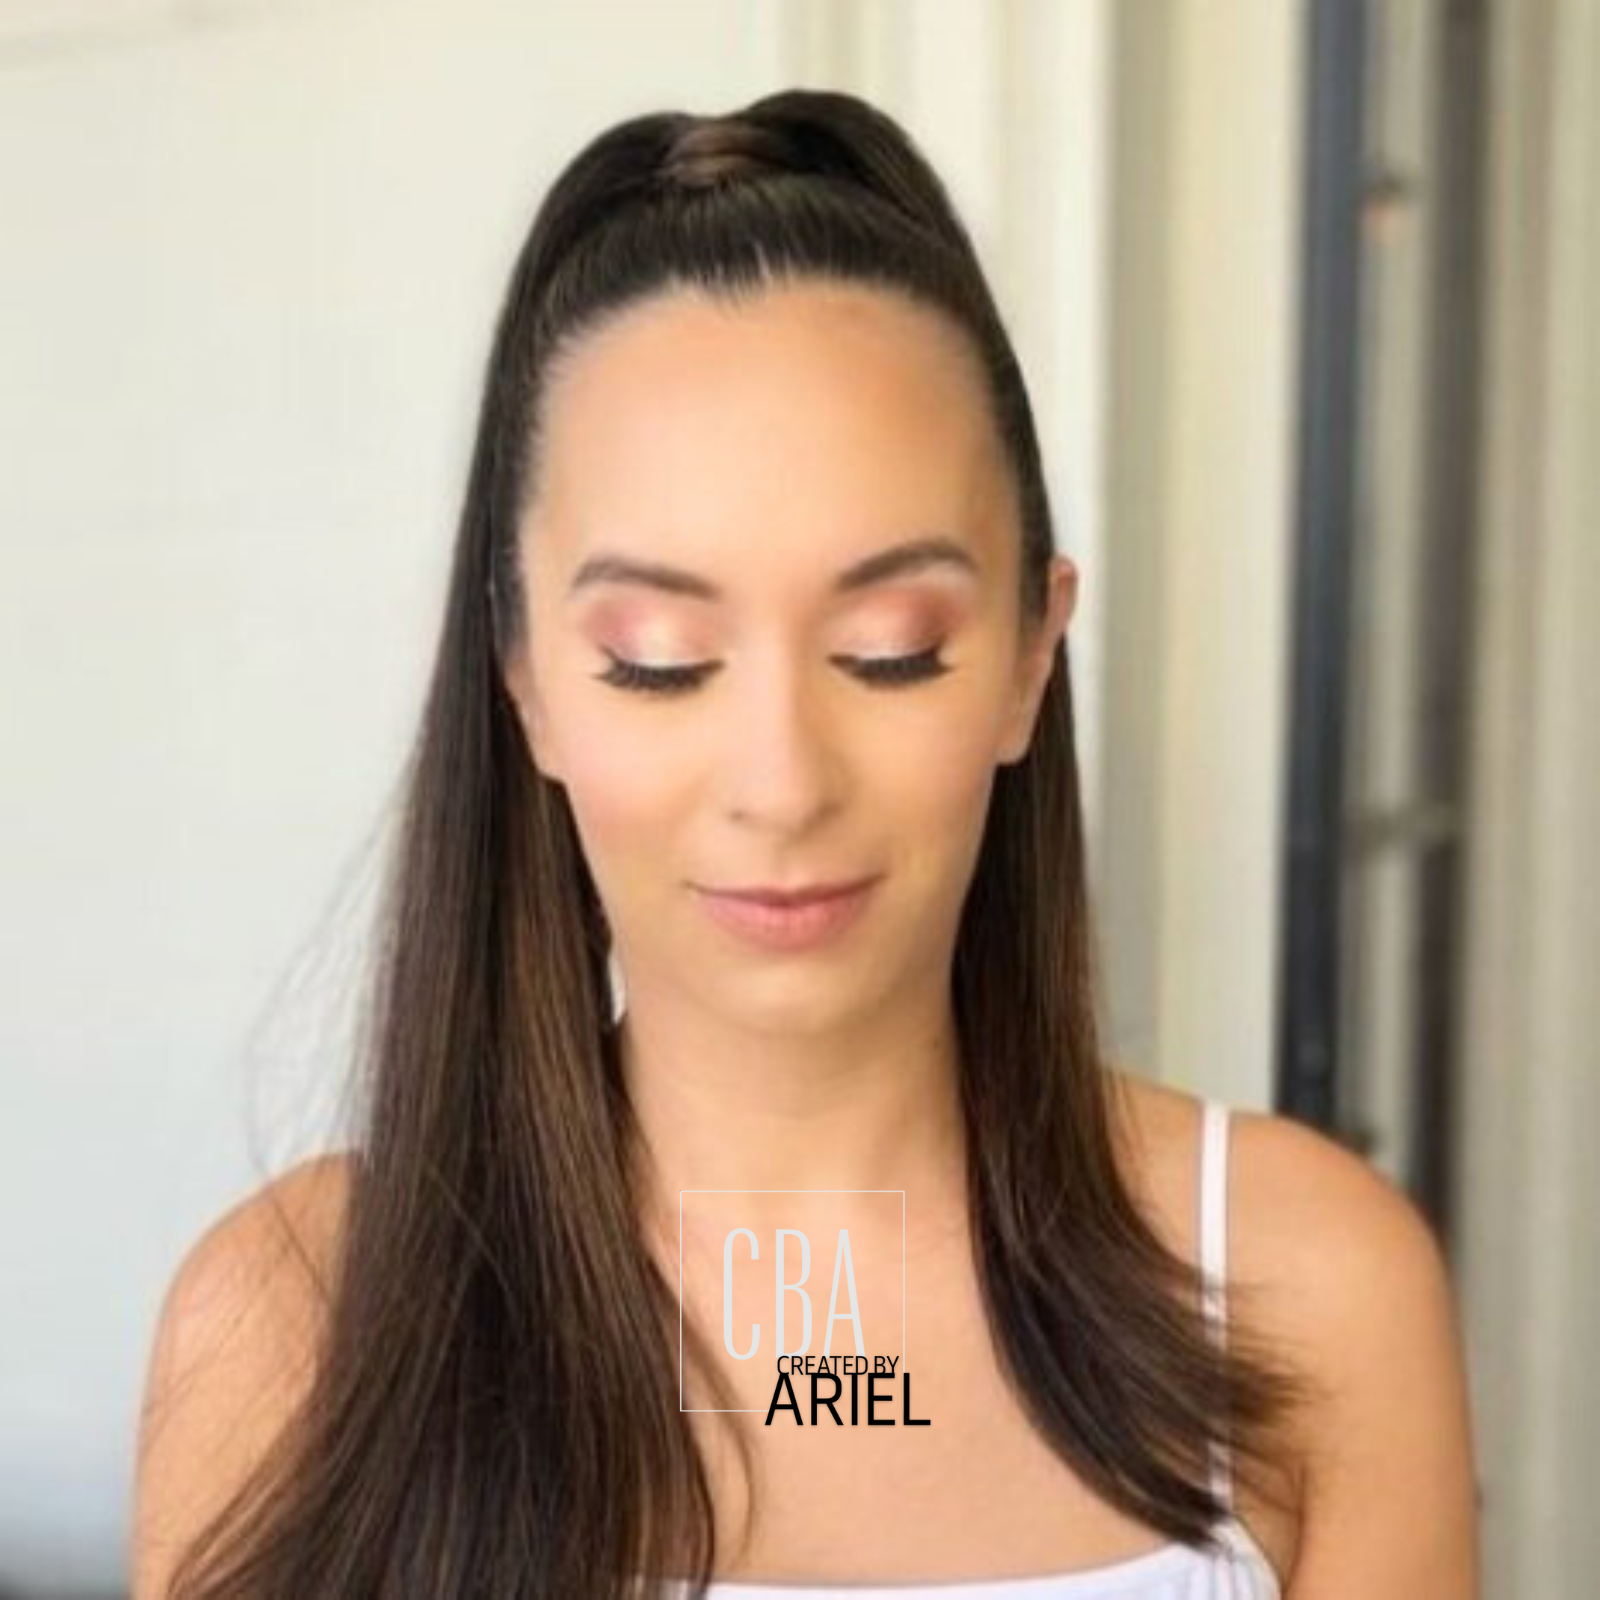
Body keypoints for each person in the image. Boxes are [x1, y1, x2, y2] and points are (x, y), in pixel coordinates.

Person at [130, 88, 1479, 1598]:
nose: (780, 784)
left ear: (1032, 654)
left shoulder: (1307, 1289)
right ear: (525, 685)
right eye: (657, 663)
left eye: (891, 650)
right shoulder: (289, 1327)